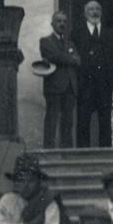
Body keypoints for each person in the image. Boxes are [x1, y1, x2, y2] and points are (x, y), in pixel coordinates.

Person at [76, 0, 113, 149]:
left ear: (101, 12)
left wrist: (110, 77)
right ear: (84, 13)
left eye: (97, 9)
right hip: (85, 82)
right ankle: (83, 153)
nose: (94, 12)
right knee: (83, 118)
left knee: (105, 117)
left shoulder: (111, 33)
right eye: (90, 9)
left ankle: (106, 151)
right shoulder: (76, 33)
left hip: (104, 82)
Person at [39, 10, 80, 148]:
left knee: (68, 121)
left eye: (64, 21)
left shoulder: (71, 44)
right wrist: (69, 59)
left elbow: (78, 61)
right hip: (54, 86)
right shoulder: (45, 41)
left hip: (70, 86)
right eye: (59, 21)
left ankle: (67, 152)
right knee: (52, 119)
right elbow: (53, 55)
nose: (62, 24)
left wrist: (64, 58)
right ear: (52, 24)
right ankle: (49, 151)